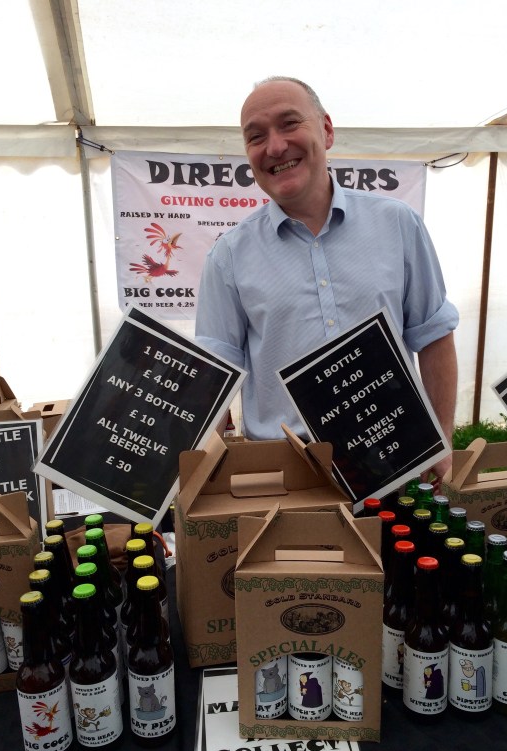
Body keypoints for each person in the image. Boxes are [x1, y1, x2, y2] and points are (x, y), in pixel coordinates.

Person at [195, 76, 458, 487]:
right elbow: (213, 380)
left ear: (327, 130)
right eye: (256, 136)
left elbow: (434, 334)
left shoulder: (397, 225)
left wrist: (442, 439)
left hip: (397, 463)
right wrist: (199, 480)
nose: (275, 147)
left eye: (289, 124)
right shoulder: (229, 256)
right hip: (286, 480)